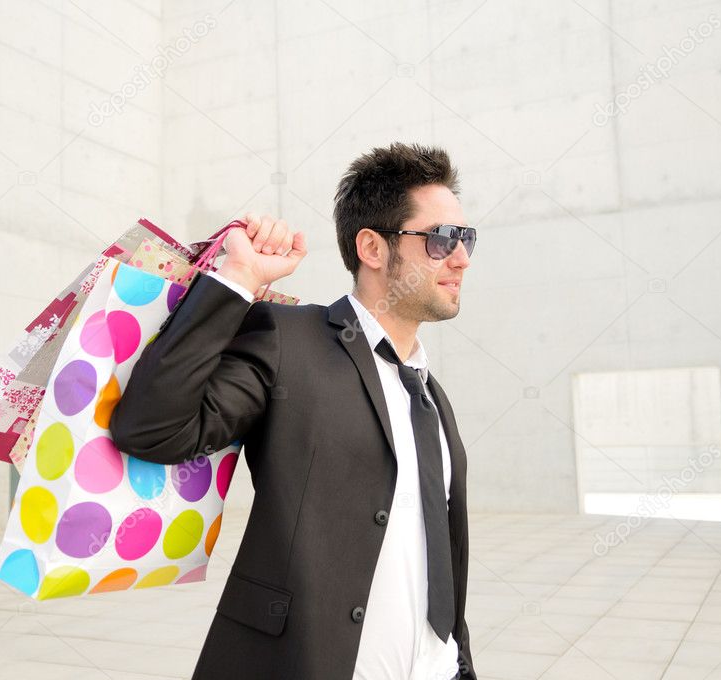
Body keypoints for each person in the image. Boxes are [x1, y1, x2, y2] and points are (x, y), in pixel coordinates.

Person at [110, 142, 478, 680]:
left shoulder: (430, 393)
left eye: (465, 238)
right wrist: (238, 279)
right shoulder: (291, 342)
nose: (462, 257)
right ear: (373, 249)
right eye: (442, 239)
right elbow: (152, 428)